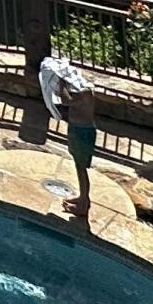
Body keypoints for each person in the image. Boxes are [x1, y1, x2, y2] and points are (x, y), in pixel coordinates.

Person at [37, 45, 99, 222]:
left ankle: (84, 203)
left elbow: (66, 100)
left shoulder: (85, 92)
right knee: (78, 166)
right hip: (77, 130)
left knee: (81, 168)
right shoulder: (82, 91)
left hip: (83, 133)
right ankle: (81, 198)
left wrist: (61, 84)